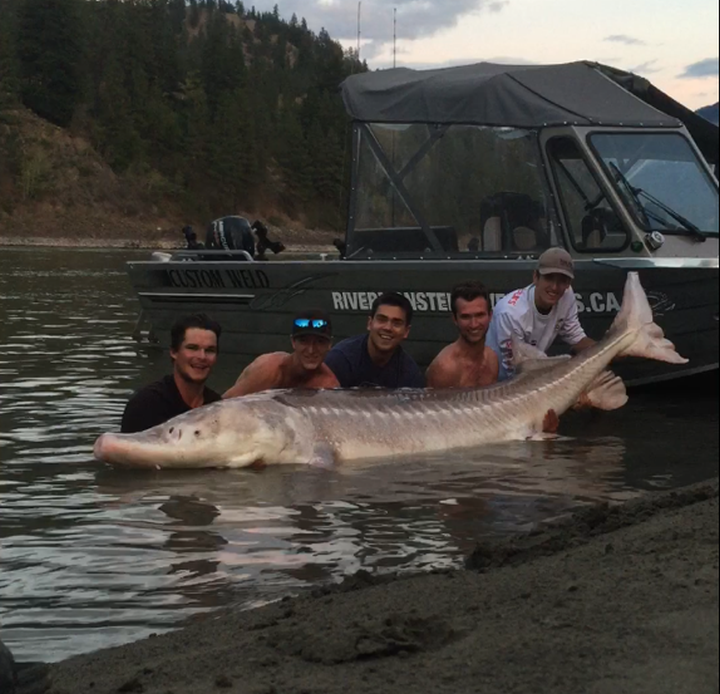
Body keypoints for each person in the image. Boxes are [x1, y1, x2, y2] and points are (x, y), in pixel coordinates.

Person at [486, 247, 596, 381]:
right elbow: (513, 370)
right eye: (549, 278)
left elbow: (576, 337)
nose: (555, 287)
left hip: (535, 372)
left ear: (568, 284)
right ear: (535, 277)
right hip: (499, 382)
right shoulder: (511, 313)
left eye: (562, 280)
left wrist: (610, 348)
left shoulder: (566, 295)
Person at [121, 314, 222, 433]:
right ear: (174, 352)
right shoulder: (145, 404)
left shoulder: (216, 406)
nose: (202, 356)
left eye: (209, 350)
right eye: (192, 348)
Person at [223, 310, 339, 397]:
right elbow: (224, 404)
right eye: (303, 341)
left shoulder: (328, 385)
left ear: (329, 345)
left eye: (320, 342)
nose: (311, 350)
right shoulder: (268, 370)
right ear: (293, 342)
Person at [324, 292, 425, 388]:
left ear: (406, 331)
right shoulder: (340, 360)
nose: (387, 328)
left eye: (396, 323)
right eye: (382, 319)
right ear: (370, 323)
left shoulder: (410, 374)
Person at [426, 280, 499, 388]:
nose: (474, 324)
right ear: (455, 319)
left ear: (490, 315)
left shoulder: (491, 359)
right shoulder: (445, 368)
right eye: (465, 317)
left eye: (480, 315)